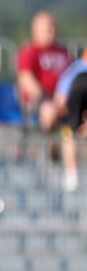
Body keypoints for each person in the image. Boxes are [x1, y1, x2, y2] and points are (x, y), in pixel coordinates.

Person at [16, 11, 72, 133]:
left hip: (65, 99)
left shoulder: (64, 52)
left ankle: (71, 149)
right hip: (39, 101)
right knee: (49, 111)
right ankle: (50, 149)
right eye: (48, 28)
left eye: (54, 27)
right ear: (36, 31)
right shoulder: (30, 52)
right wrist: (51, 100)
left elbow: (74, 77)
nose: (52, 31)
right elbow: (26, 80)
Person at [54, 49, 87, 192]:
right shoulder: (76, 70)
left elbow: (60, 99)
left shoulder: (75, 69)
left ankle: (72, 175)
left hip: (75, 105)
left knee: (70, 132)